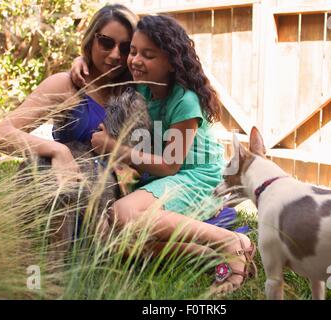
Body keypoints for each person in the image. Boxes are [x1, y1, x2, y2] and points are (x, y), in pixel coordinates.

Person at [72, 14, 256, 294]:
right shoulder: (143, 88)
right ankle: (208, 255)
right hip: (165, 177)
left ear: (171, 62)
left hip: (196, 177)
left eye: (148, 55)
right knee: (118, 242)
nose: (134, 60)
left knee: (124, 213)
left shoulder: (184, 101)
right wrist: (80, 60)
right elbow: (103, 69)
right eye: (133, 51)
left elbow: (171, 165)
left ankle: (231, 242)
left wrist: (113, 148)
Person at [0, 4, 138, 184]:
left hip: (132, 201)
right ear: (91, 40)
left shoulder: (137, 89)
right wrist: (57, 150)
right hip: (72, 198)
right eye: (106, 42)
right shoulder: (66, 85)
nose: (115, 55)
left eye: (125, 48)